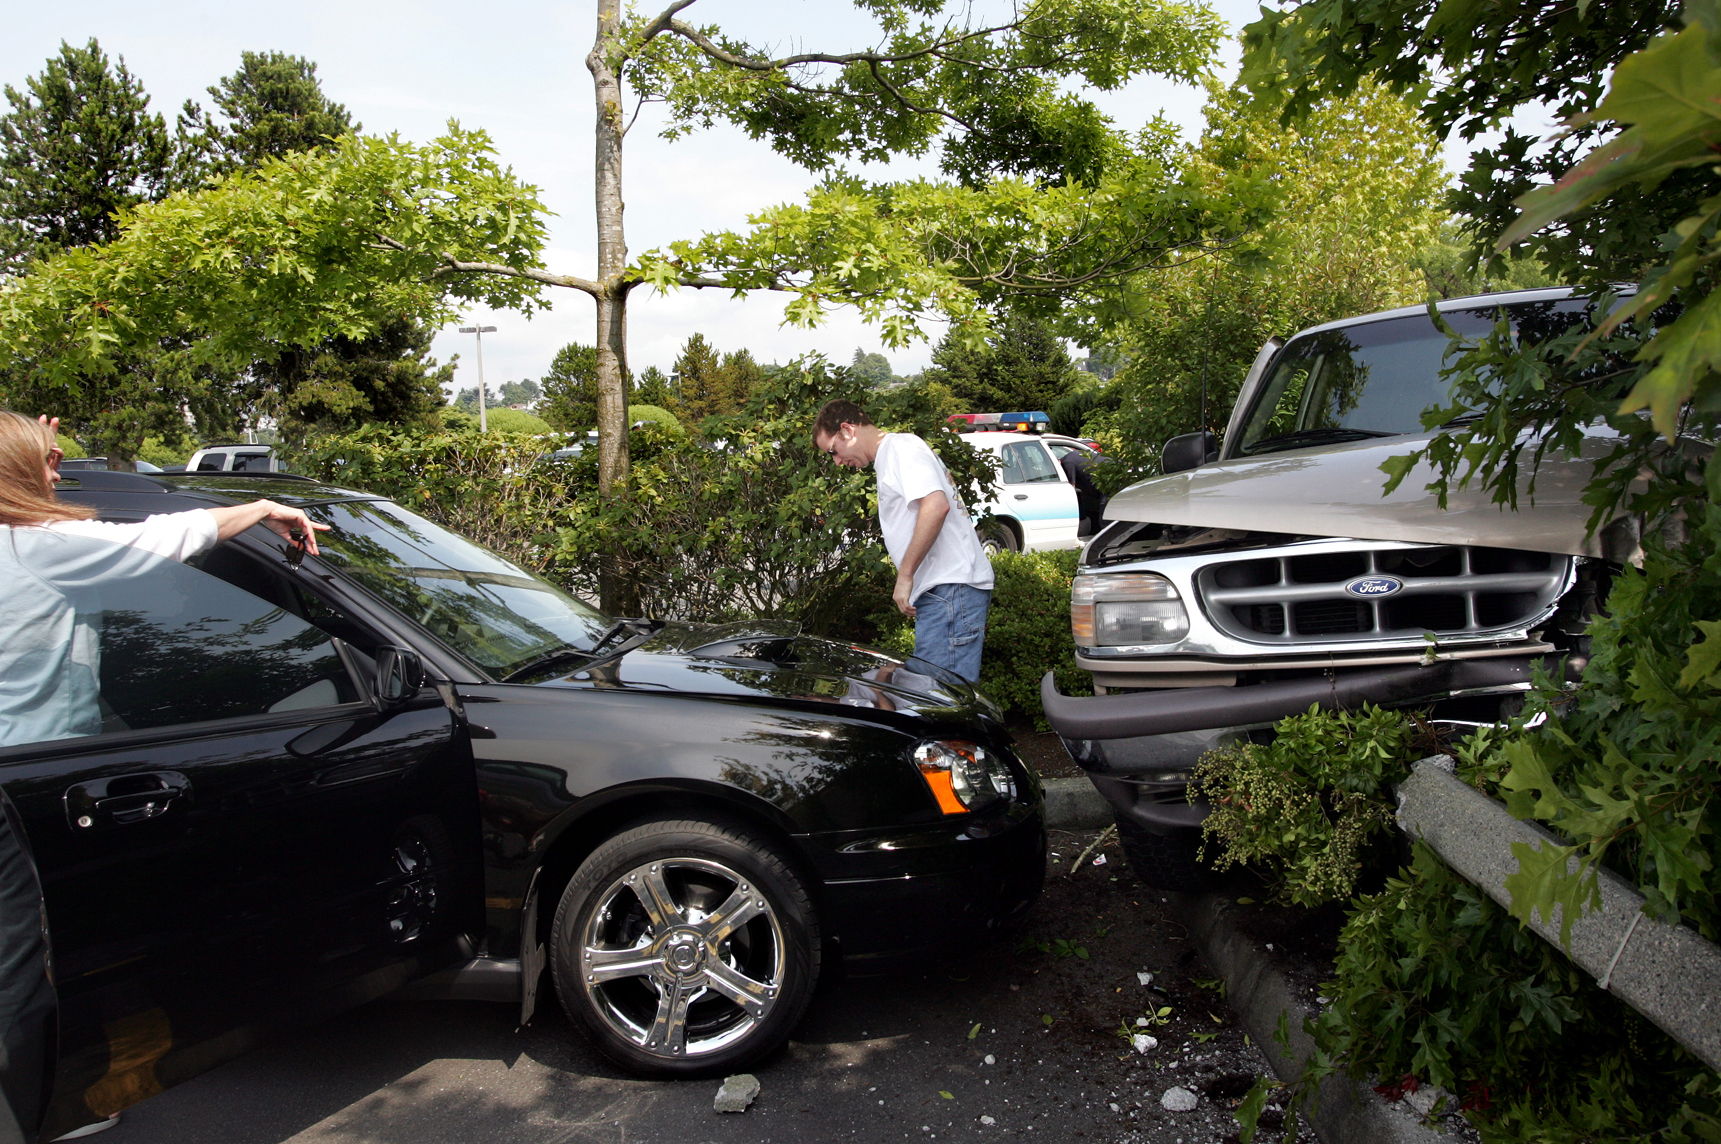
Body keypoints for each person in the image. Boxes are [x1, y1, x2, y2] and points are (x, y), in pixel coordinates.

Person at [0, 411, 328, 749]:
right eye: (50, 460)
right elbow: (168, 537)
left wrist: (29, 447)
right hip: (37, 752)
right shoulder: (36, 546)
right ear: (15, 467)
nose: (57, 474)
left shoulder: (19, 544)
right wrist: (262, 509)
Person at [813, 399, 994, 682]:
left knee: (940, 704)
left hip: (949, 588)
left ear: (847, 430)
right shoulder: (892, 454)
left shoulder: (900, 448)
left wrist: (905, 575)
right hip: (945, 590)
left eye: (833, 451)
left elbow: (936, 506)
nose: (836, 461)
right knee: (931, 697)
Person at [1058, 447, 1105, 538]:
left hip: (1108, 482)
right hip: (1104, 480)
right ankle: (1097, 533)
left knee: (1104, 512)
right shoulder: (1072, 457)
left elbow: (1071, 488)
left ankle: (1105, 538)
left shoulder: (1067, 463)